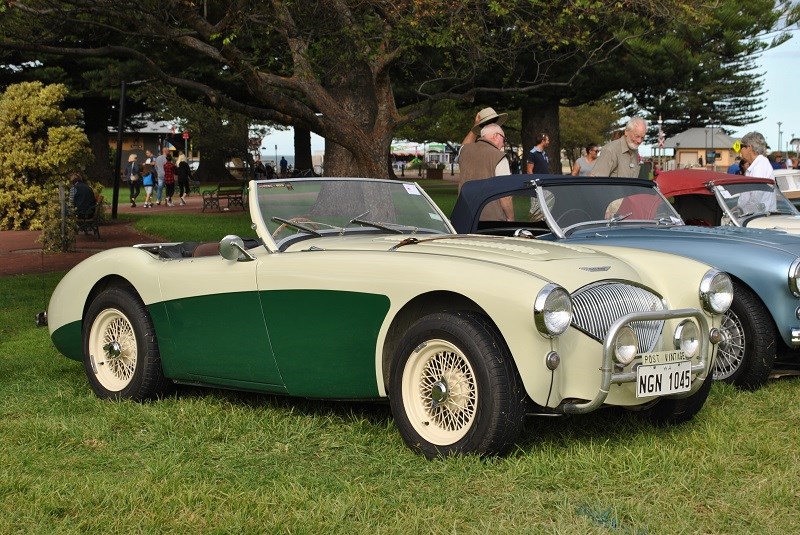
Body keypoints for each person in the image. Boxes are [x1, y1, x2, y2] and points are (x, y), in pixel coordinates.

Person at [457, 123, 514, 221]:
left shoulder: (464, 150)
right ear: (496, 136)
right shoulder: (499, 157)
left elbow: (463, 145)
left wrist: (475, 125)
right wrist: (511, 218)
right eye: (504, 139)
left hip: (464, 217)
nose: (503, 143)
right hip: (491, 221)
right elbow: (505, 196)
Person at [737, 131, 776, 213]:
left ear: (749, 147)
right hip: (754, 218)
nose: (740, 150)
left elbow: (755, 198)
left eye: (741, 146)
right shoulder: (758, 165)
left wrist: (742, 214)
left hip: (756, 219)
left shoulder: (760, 167)